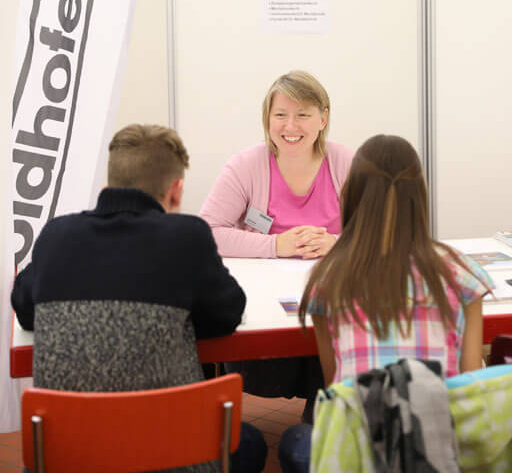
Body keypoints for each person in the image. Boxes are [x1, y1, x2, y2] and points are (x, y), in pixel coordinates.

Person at [12, 123, 267, 473]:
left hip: (68, 458)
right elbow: (227, 314)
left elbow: (26, 311)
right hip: (175, 459)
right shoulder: (187, 237)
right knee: (250, 442)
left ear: (107, 187)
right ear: (176, 191)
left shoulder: (57, 235)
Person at [279, 133, 493, 473]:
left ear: (352, 197)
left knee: (295, 440)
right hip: (435, 452)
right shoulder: (461, 274)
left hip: (359, 454)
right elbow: (468, 382)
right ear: (419, 196)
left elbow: (337, 386)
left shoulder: (328, 278)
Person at [200, 71, 353, 417]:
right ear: (267, 118)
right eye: (280, 115)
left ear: (323, 117)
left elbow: (380, 232)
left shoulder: (346, 162)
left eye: (303, 115)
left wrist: (336, 243)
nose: (290, 126)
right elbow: (207, 230)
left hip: (332, 297)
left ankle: (322, 422)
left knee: (334, 357)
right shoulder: (246, 165)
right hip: (265, 300)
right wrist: (275, 245)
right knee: (266, 368)